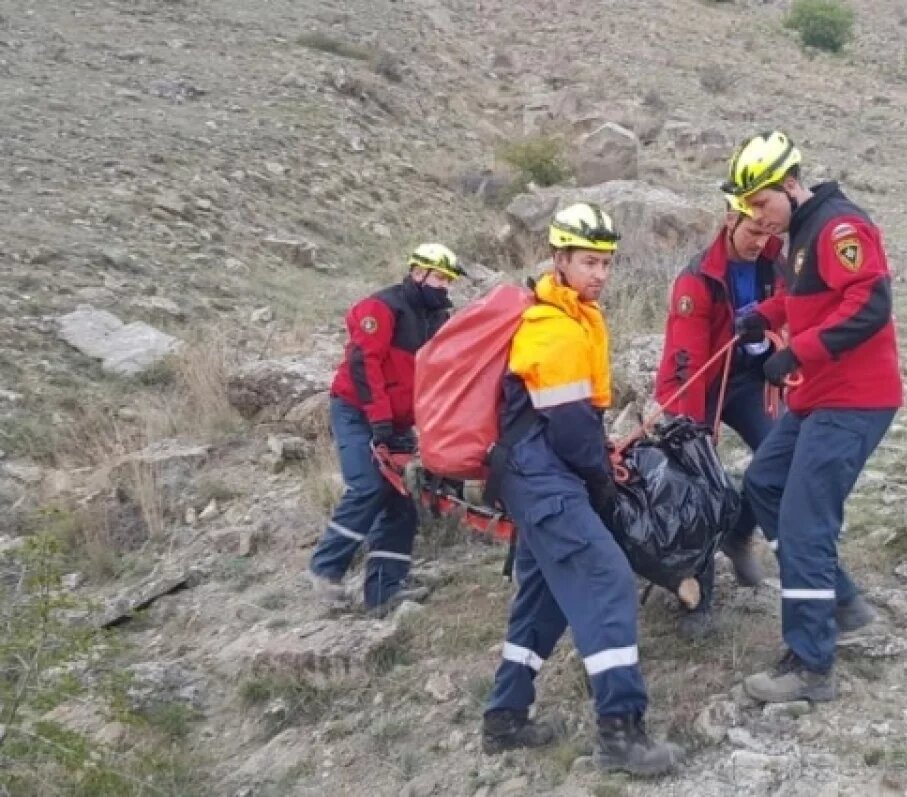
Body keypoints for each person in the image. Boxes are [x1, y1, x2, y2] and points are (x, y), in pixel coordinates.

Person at [480, 203, 680, 776]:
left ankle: (504, 718)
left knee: (543, 595)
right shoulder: (557, 329)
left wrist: (595, 466)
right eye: (589, 262)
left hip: (535, 476)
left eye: (607, 263)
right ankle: (621, 732)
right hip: (544, 480)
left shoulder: (572, 318)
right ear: (559, 259)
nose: (600, 273)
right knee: (607, 578)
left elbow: (570, 424)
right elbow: (570, 429)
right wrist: (602, 481)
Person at [721, 131, 903, 703]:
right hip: (820, 398)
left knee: (804, 525)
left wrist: (799, 351)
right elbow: (810, 296)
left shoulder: (839, 227)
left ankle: (810, 664)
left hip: (854, 399)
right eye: (749, 207)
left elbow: (869, 304)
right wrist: (764, 314)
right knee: (765, 482)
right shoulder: (800, 232)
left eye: (762, 202)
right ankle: (843, 603)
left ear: (790, 184)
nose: (758, 217)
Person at [307, 243, 465, 618]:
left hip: (397, 419)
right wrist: (379, 422)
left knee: (402, 498)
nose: (444, 286)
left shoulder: (437, 318)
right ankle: (325, 570)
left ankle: (384, 589)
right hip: (356, 410)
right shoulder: (381, 308)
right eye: (439, 277)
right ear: (417, 273)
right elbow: (366, 367)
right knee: (368, 485)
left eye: (448, 280)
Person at [652, 202, 787, 638]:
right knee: (698, 486)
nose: (760, 242)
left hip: (748, 379)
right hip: (699, 383)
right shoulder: (697, 279)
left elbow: (792, 305)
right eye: (753, 231)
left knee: (781, 456)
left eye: (767, 232)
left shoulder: (774, 262)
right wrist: (691, 433)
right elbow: (686, 361)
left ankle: (738, 533)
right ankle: (698, 598)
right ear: (731, 220)